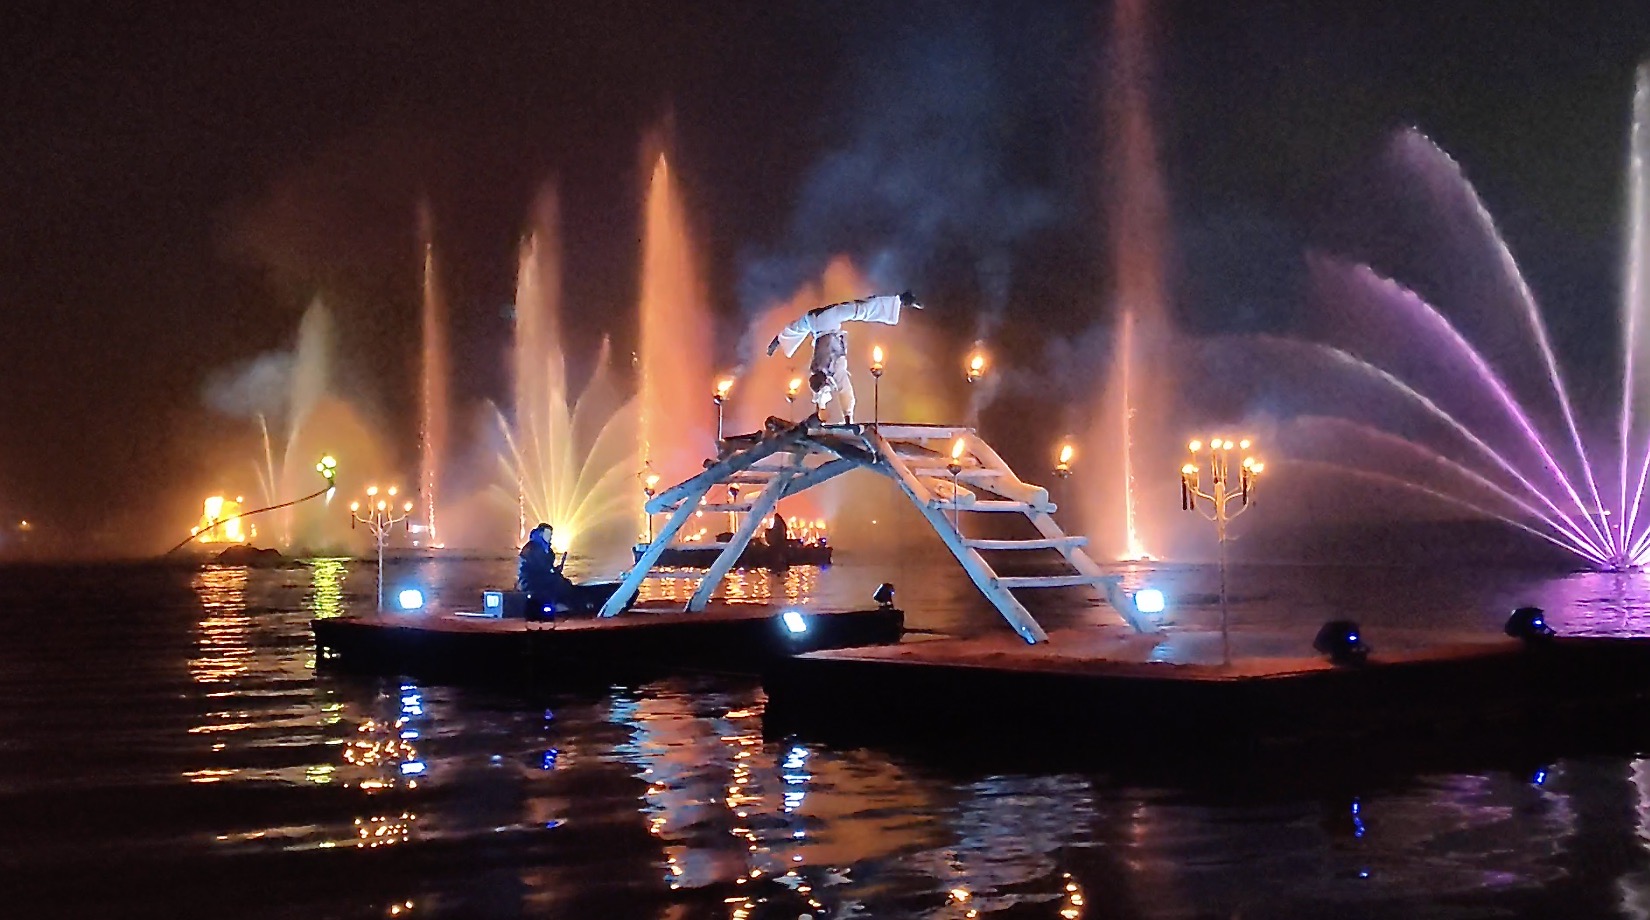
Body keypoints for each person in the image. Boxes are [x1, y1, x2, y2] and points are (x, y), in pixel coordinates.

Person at [766, 291, 922, 423]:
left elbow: (862, 308)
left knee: (838, 387)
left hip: (832, 354)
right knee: (835, 387)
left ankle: (842, 416)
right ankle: (835, 415)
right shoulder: (814, 318)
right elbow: (862, 308)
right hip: (829, 355)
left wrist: (900, 301)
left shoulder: (820, 317)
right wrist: (776, 342)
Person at [517, 523, 572, 620]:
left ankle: (560, 604)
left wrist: (555, 570)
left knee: (562, 581)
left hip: (540, 577)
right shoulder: (531, 548)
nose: (550, 537)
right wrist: (552, 572)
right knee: (556, 582)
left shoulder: (547, 550)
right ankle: (554, 605)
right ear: (541, 534)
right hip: (529, 580)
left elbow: (546, 568)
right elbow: (538, 567)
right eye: (548, 534)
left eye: (551, 534)